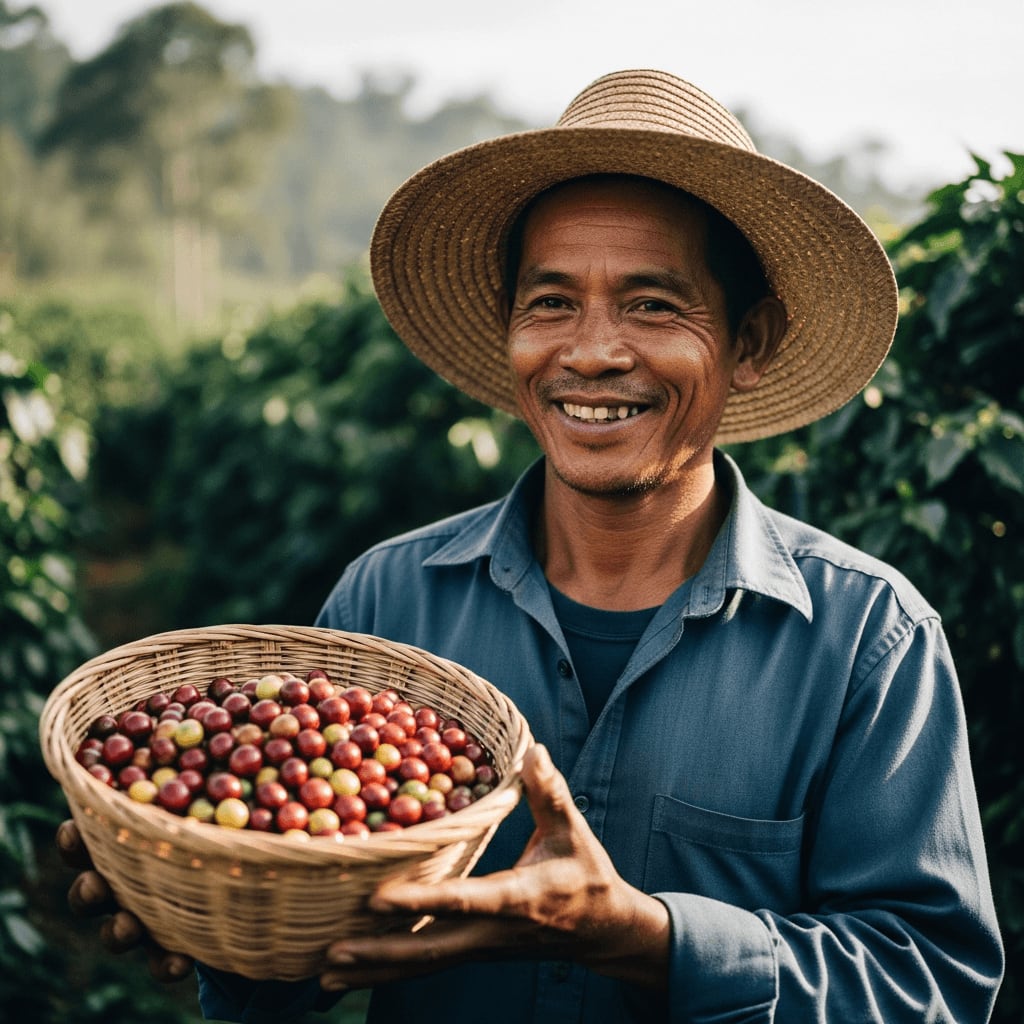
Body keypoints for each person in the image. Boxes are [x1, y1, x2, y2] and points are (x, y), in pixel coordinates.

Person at [58, 69, 1004, 1022]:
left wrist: (651, 941)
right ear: (510, 331)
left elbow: (935, 983)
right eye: (550, 303)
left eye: (653, 305)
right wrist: (219, 931)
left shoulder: (865, 641)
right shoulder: (388, 606)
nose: (591, 352)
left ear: (748, 340)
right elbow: (309, 951)